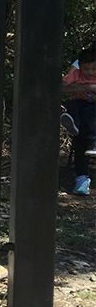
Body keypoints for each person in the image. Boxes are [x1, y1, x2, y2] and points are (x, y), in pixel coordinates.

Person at [60, 44, 96, 196]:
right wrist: (88, 89)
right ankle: (82, 179)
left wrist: (86, 88)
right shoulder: (84, 60)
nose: (89, 72)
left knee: (88, 117)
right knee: (81, 127)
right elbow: (64, 87)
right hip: (85, 105)